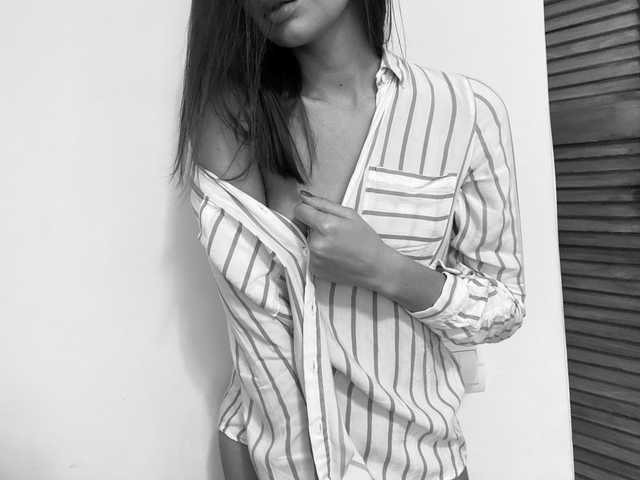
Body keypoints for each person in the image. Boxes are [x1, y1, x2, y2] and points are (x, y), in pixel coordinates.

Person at [171, 1, 526, 479]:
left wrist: (388, 269)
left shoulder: (466, 113)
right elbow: (259, 330)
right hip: (277, 460)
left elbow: (504, 307)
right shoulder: (237, 119)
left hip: (422, 462)